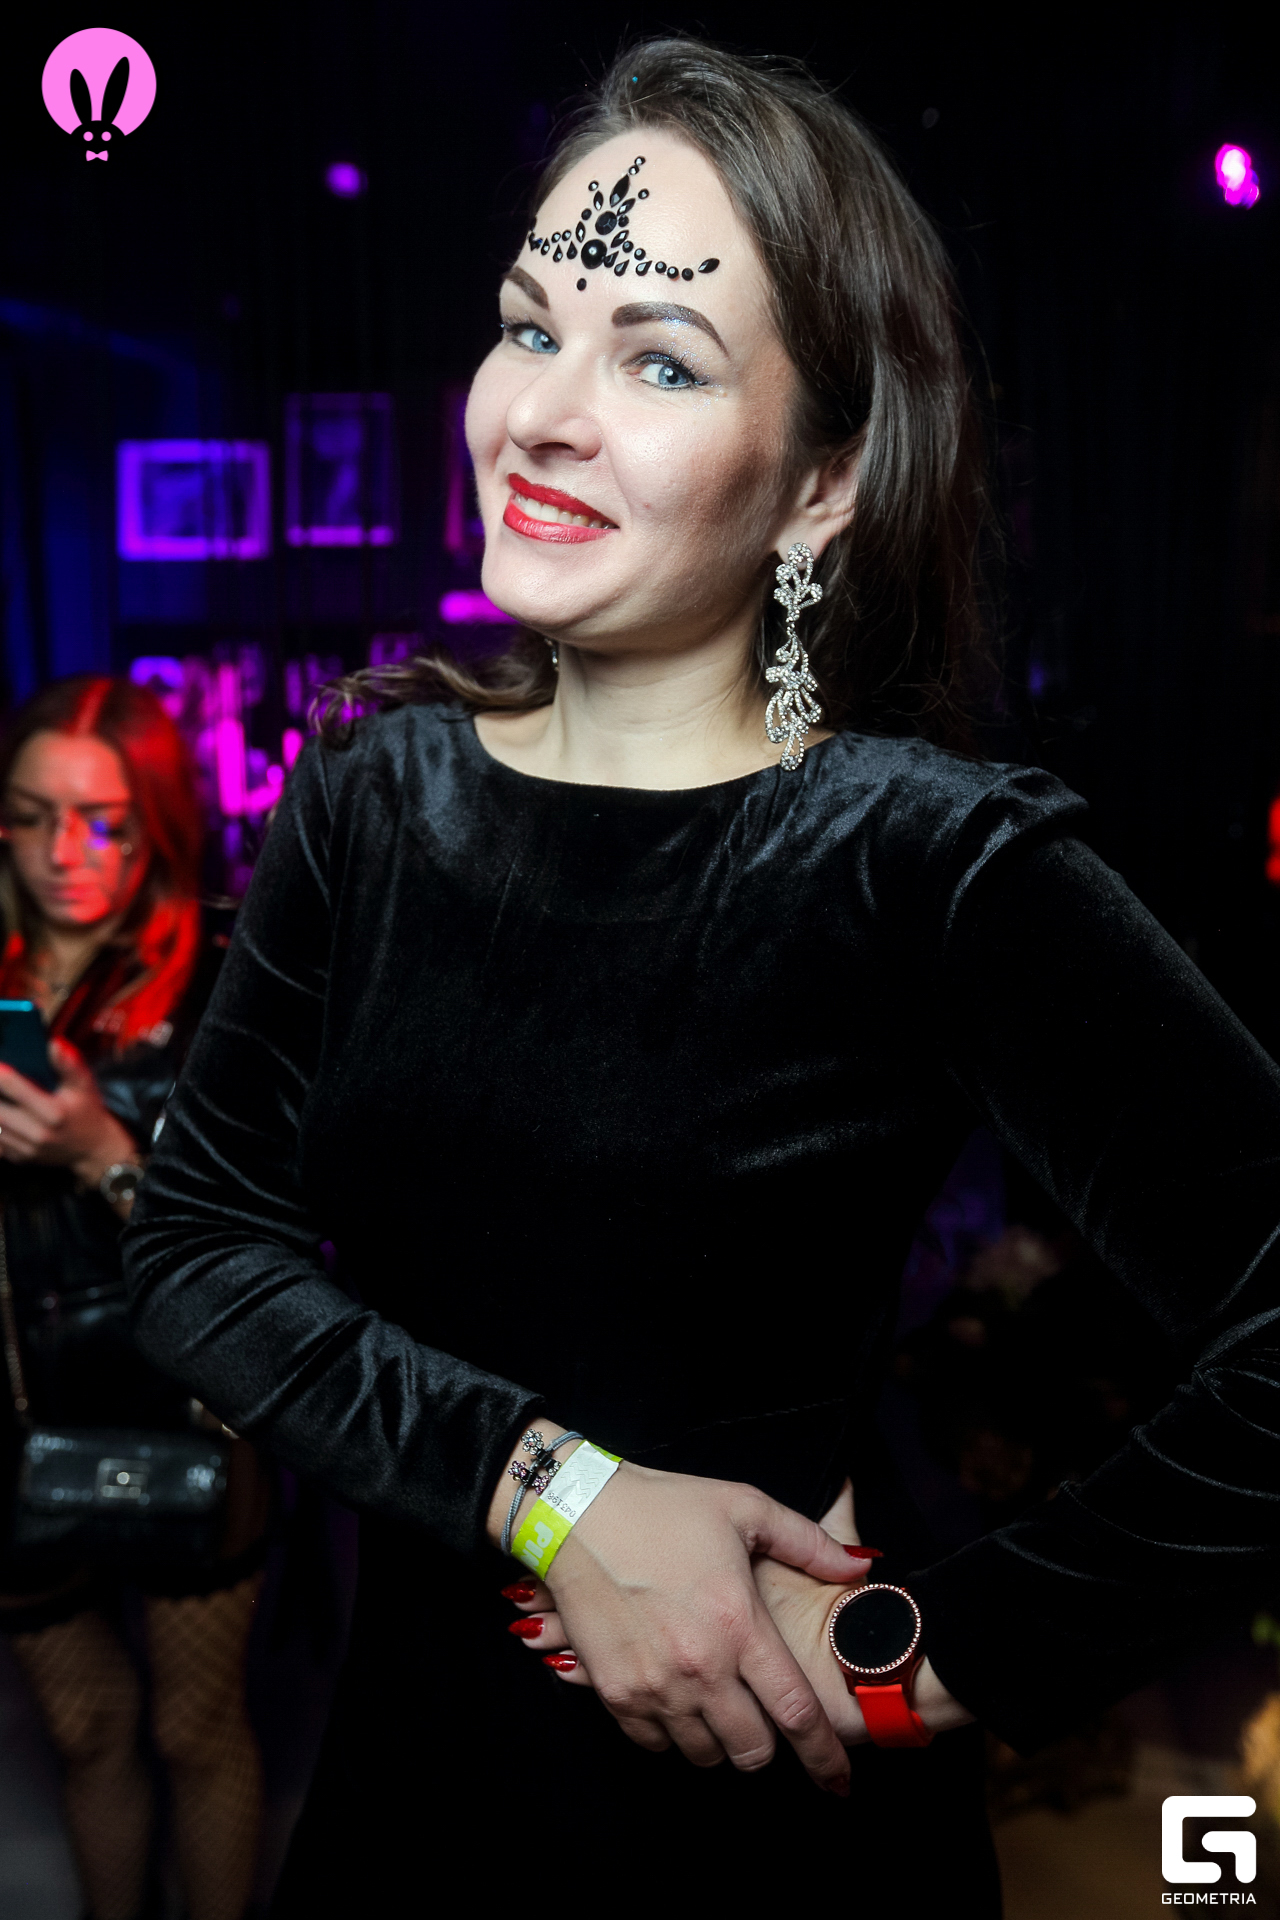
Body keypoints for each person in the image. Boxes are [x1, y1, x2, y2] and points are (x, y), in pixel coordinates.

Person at [123, 39, 1280, 1915]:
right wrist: (552, 1489)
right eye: (531, 327)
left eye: (659, 361)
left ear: (823, 482)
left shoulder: (919, 857)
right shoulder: (373, 796)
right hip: (411, 1790)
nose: (542, 415)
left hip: (767, 1821)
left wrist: (926, 1658)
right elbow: (196, 1244)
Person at [0, 676, 267, 1920]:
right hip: (15, 1417)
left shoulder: (229, 971)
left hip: (185, 1407)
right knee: (85, 1727)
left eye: (102, 821)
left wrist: (102, 1152)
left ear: (155, 821)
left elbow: (272, 1243)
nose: (65, 853)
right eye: (31, 816)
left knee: (192, 1730)